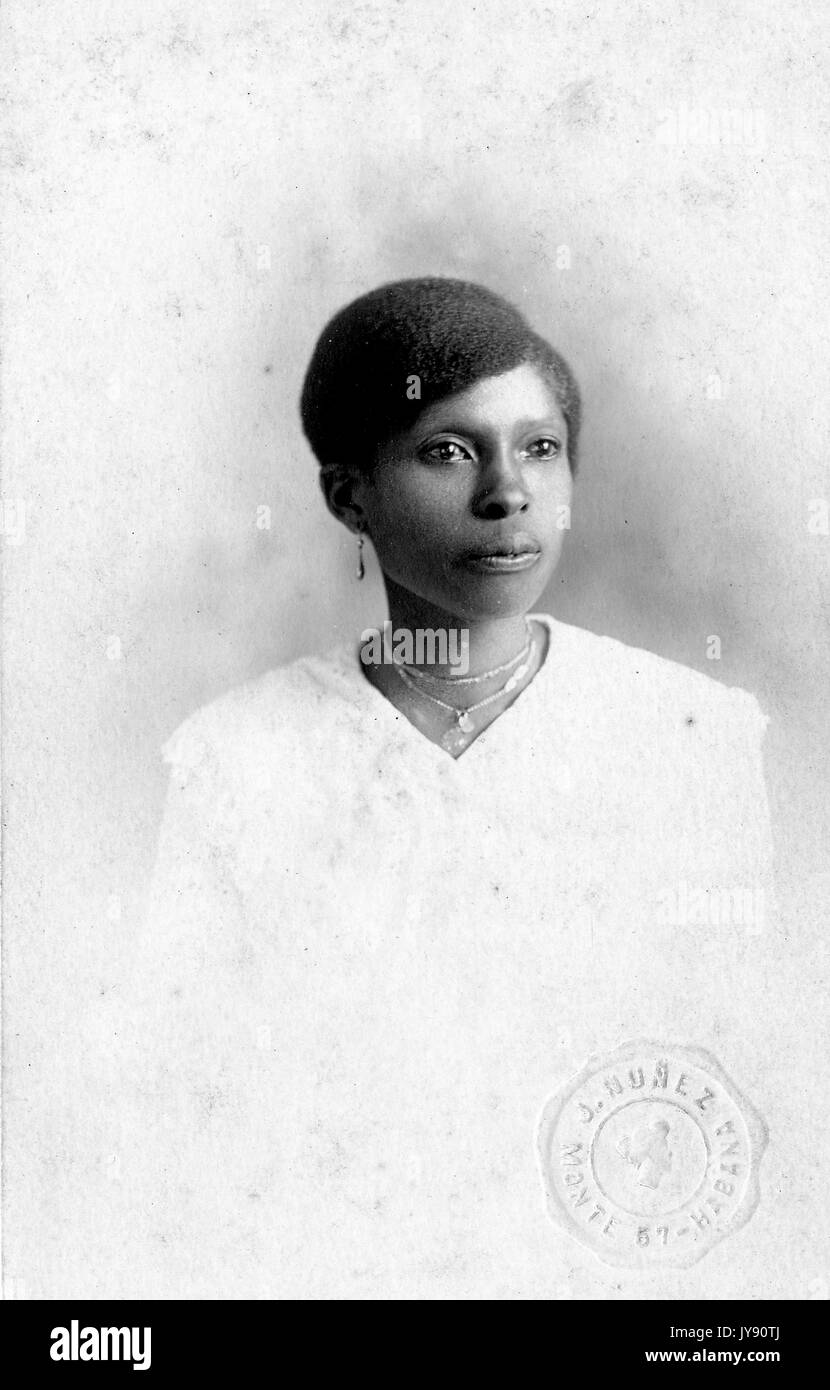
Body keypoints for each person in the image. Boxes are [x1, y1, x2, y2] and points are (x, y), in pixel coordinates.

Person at [127, 277, 788, 1300]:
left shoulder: (687, 737)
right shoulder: (236, 758)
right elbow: (185, 1110)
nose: (505, 492)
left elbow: (737, 1085)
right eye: (447, 450)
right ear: (349, 494)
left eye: (538, 447)